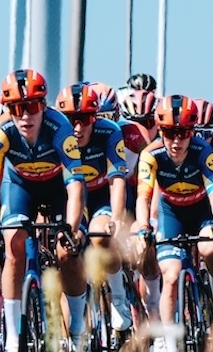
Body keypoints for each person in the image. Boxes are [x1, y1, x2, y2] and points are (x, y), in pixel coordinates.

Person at [0, 68, 86, 352]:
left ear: (44, 105)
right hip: (20, 187)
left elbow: (75, 187)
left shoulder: (60, 128)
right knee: (13, 246)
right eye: (17, 108)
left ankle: (76, 323)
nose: (26, 116)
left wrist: (71, 231)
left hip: (57, 188)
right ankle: (13, 337)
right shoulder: (0, 132)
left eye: (33, 107)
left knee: (67, 252)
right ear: (8, 109)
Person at [136, 95, 213, 352]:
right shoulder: (151, 155)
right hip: (171, 214)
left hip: (201, 210)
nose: (176, 141)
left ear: (192, 132)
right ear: (161, 131)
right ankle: (169, 342)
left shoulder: (203, 151)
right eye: (170, 133)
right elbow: (143, 197)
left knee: (208, 248)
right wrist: (143, 228)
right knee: (170, 276)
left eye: (183, 133)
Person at [57, 82, 138, 334]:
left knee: (100, 235)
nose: (78, 128)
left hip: (101, 195)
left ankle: (118, 298)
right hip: (69, 197)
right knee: (64, 252)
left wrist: (116, 217)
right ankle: (75, 326)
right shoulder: (56, 133)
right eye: (72, 120)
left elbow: (117, 181)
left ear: (95, 117)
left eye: (86, 119)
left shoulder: (109, 131)